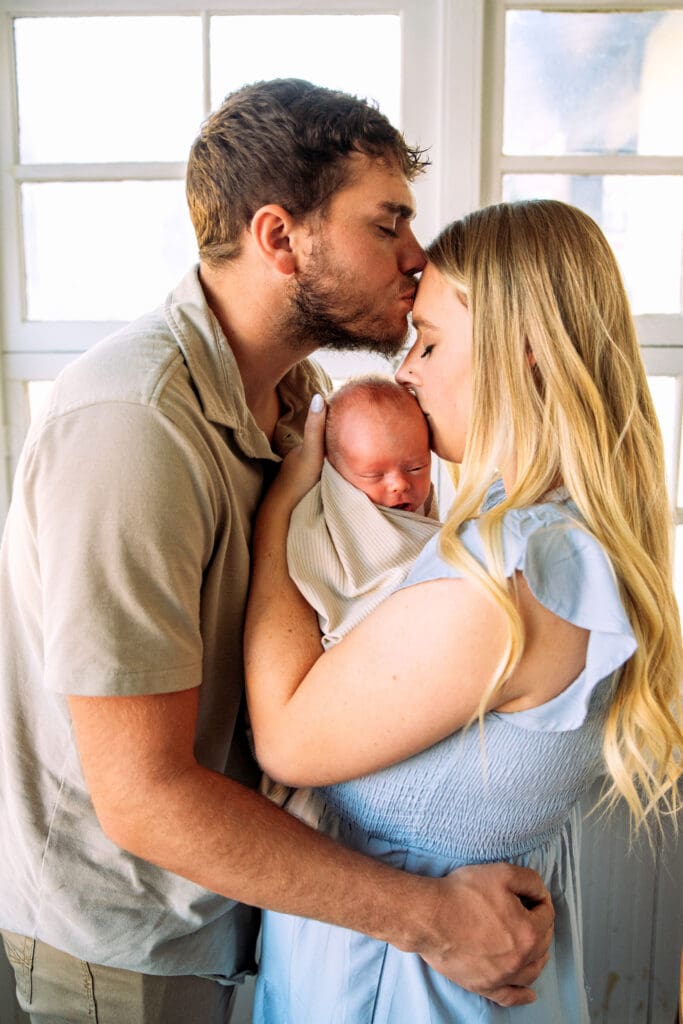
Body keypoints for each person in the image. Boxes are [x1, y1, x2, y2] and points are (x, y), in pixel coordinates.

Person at [0, 80, 554, 1024]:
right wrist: (431, 920)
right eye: (388, 225)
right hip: (132, 954)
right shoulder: (133, 429)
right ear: (278, 237)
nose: (416, 259)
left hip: (253, 913)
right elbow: (143, 799)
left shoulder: (298, 405)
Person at [244, 198, 683, 1023]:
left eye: (432, 342)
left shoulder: (513, 574)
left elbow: (288, 740)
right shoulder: (561, 541)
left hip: (399, 983)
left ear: (521, 353)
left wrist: (280, 518)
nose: (407, 369)